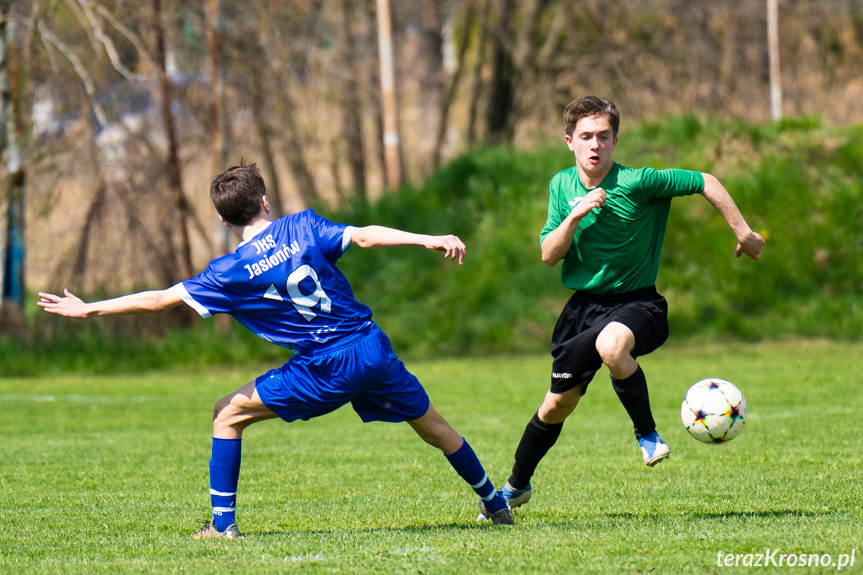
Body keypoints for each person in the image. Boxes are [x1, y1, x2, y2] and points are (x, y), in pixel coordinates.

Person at [38, 162, 514, 538]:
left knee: (227, 414)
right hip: (369, 347)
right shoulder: (304, 227)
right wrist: (426, 238)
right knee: (432, 425)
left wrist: (90, 309)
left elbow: (160, 299)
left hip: (322, 369)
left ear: (224, 220)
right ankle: (494, 501)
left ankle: (222, 526)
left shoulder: (228, 271)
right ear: (266, 201)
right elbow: (365, 235)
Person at [485, 96, 765, 514]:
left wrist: (742, 231)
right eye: (585, 137)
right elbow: (548, 254)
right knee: (556, 405)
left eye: (603, 136)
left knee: (613, 346)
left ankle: (647, 436)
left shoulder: (639, 182)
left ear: (616, 140)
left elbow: (705, 180)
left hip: (638, 304)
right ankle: (515, 486)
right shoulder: (560, 186)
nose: (594, 145)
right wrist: (575, 215)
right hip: (582, 312)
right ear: (569, 141)